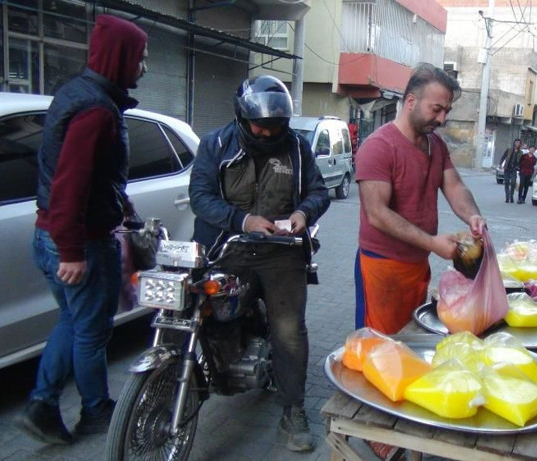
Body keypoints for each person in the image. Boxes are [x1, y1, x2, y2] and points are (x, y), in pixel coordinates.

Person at [16, 15, 148, 445]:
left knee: (73, 321)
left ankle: (42, 404)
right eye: (140, 58)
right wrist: (72, 250)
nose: (143, 67)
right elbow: (69, 183)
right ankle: (95, 411)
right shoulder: (96, 110)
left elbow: (92, 176)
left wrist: (121, 204)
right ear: (121, 57)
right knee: (91, 331)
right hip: (79, 242)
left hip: (54, 234)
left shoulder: (78, 94)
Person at [188, 75, 330, 452]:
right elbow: (200, 196)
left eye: (276, 126)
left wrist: (303, 211)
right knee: (199, 310)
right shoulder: (215, 144)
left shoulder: (298, 149)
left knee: (288, 331)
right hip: (227, 246)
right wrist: (244, 221)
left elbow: (318, 191)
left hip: (280, 254)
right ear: (241, 118)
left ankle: (293, 410)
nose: (267, 133)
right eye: (260, 125)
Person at [354, 62, 485, 334]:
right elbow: (377, 213)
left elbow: (455, 187)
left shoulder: (435, 145)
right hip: (382, 268)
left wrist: (473, 215)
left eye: (446, 111)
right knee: (380, 349)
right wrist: (432, 243)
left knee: (408, 341)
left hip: (417, 265)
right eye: (436, 110)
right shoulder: (379, 147)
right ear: (411, 101)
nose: (441, 119)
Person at [501, 138, 523, 203]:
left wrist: (518, 167)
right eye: (516, 142)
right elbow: (503, 157)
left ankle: (511, 196)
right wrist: (500, 164)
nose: (517, 144)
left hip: (514, 169)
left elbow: (521, 161)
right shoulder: (509, 150)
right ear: (514, 143)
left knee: (513, 183)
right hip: (507, 168)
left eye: (518, 143)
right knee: (507, 183)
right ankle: (507, 197)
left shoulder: (520, 153)